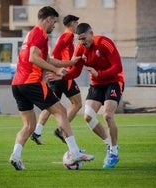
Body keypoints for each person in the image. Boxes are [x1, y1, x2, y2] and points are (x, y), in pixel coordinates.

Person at [9, 7, 94, 171]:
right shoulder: (40, 33)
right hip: (31, 82)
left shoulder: (32, 34)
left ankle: (16, 156)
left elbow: (47, 58)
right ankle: (75, 152)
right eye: (54, 22)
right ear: (48, 19)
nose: (54, 25)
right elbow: (33, 57)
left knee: (29, 126)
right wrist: (55, 71)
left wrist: (68, 64)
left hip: (17, 85)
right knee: (61, 112)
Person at [46, 23, 125, 169]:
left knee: (107, 115)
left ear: (91, 34)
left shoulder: (105, 43)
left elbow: (118, 67)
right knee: (88, 116)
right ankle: (109, 144)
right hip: (97, 84)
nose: (82, 42)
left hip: (114, 81)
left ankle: (113, 152)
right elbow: (75, 71)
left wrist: (99, 74)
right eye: (79, 39)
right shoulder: (80, 48)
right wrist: (61, 77)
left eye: (84, 38)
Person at [30, 14, 82, 145]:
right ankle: (61, 130)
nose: (77, 26)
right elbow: (57, 52)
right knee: (77, 103)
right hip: (63, 76)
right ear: (71, 24)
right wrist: (58, 70)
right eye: (76, 23)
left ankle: (37, 132)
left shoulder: (65, 36)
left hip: (58, 75)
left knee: (50, 105)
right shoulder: (67, 36)